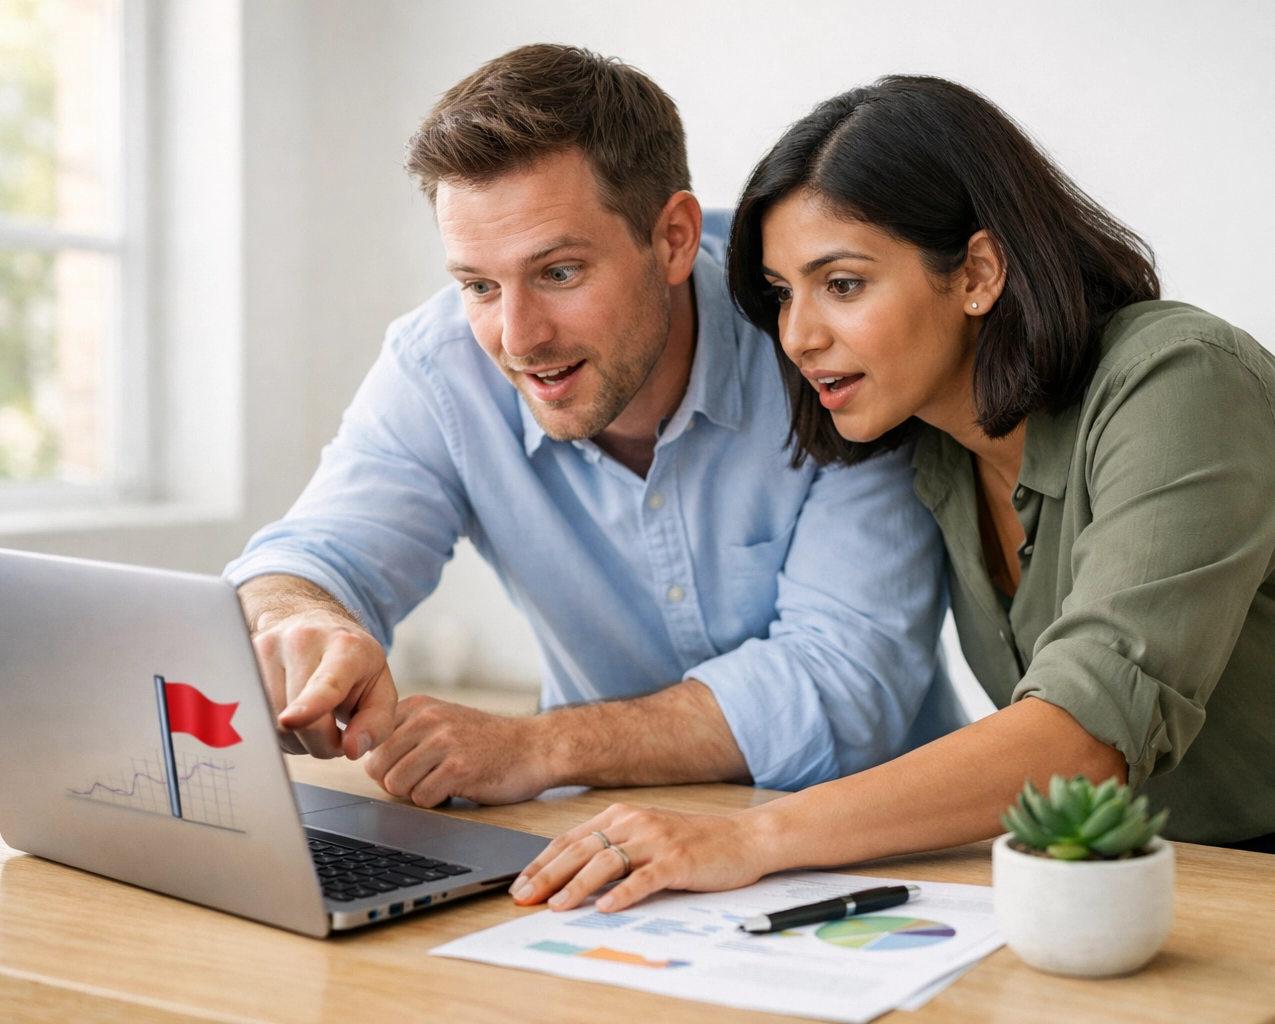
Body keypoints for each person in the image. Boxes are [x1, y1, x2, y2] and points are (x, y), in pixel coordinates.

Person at [511, 75, 1275, 948]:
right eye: (783, 294)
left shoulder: (1179, 383)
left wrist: (749, 839)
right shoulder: (930, 445)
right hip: (1158, 876)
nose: (799, 336)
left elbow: (1083, 735)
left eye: (843, 284)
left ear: (977, 271)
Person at [225, 47, 963, 809]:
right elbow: (313, 555)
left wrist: (543, 746)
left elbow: (845, 682)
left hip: (886, 844)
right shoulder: (439, 367)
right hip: (598, 837)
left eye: (559, 273)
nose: (518, 338)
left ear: (673, 238)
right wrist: (302, 621)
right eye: (479, 285)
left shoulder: (827, 348)